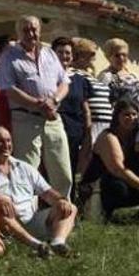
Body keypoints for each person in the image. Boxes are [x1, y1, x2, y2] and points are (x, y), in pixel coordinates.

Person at [0, 15, 72, 197]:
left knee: (62, 171)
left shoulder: (50, 53)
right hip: (25, 119)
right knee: (27, 170)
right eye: (26, 30)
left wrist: (53, 101)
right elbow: (8, 88)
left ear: (40, 30)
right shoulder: (9, 56)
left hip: (53, 118)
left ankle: (64, 212)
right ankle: (28, 216)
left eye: (34, 29)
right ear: (18, 33)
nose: (31, 33)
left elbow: (64, 83)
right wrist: (37, 104)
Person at [0, 127, 76, 257]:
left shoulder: (24, 167)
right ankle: (38, 246)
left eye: (8, 141)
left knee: (70, 207)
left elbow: (48, 193)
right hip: (6, 223)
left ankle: (57, 243)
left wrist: (60, 200)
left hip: (31, 220)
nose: (6, 145)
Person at [83, 101, 139, 222]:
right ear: (117, 116)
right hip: (102, 182)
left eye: (134, 114)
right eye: (126, 114)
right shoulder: (108, 136)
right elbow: (118, 169)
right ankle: (103, 213)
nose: (131, 118)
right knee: (118, 188)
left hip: (129, 178)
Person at [51, 37, 92, 189]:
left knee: (71, 169)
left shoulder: (80, 80)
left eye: (67, 53)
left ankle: (71, 206)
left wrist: (88, 131)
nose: (64, 56)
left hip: (74, 131)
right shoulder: (47, 76)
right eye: (60, 52)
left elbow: (85, 107)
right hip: (53, 128)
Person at [73, 37, 112, 143]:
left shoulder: (92, 76)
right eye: (90, 54)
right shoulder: (74, 74)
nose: (93, 58)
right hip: (92, 125)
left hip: (107, 126)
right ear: (79, 55)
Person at [98, 38, 139, 108]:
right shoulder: (106, 76)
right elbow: (102, 101)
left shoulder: (134, 76)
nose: (121, 58)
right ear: (109, 57)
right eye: (117, 55)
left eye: (124, 55)